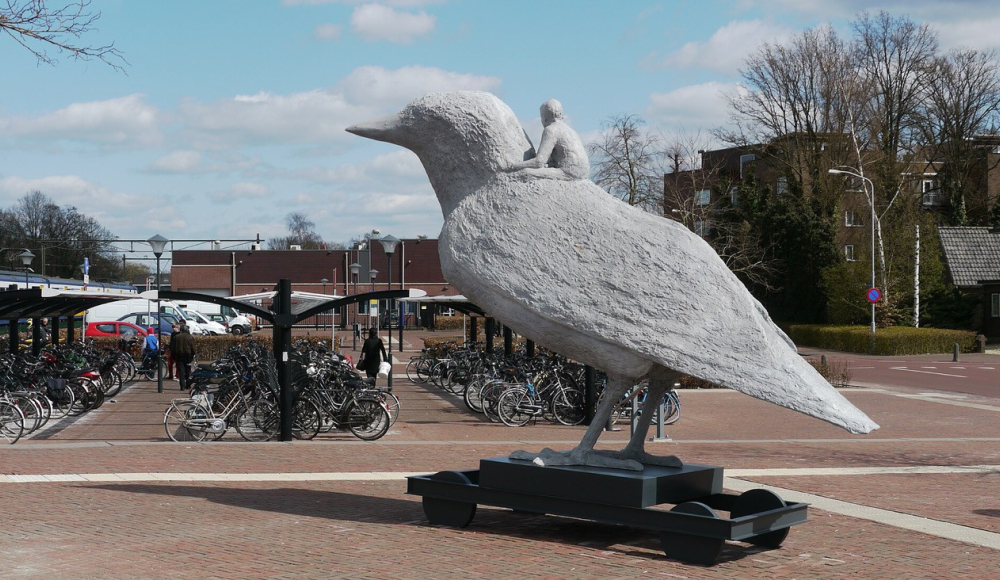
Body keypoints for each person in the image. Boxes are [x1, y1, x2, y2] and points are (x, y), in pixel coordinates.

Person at [505, 98, 589, 181]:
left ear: (544, 117)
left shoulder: (551, 130)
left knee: (525, 172)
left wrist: (513, 165)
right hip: (585, 171)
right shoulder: (570, 130)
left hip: (570, 172)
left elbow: (539, 162)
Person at [171, 323, 196, 391]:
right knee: (188, 370)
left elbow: (173, 348)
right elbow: (192, 348)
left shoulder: (176, 337)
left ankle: (182, 386)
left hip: (179, 356)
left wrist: (173, 356)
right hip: (188, 356)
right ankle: (188, 385)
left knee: (181, 371)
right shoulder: (190, 337)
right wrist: (193, 354)